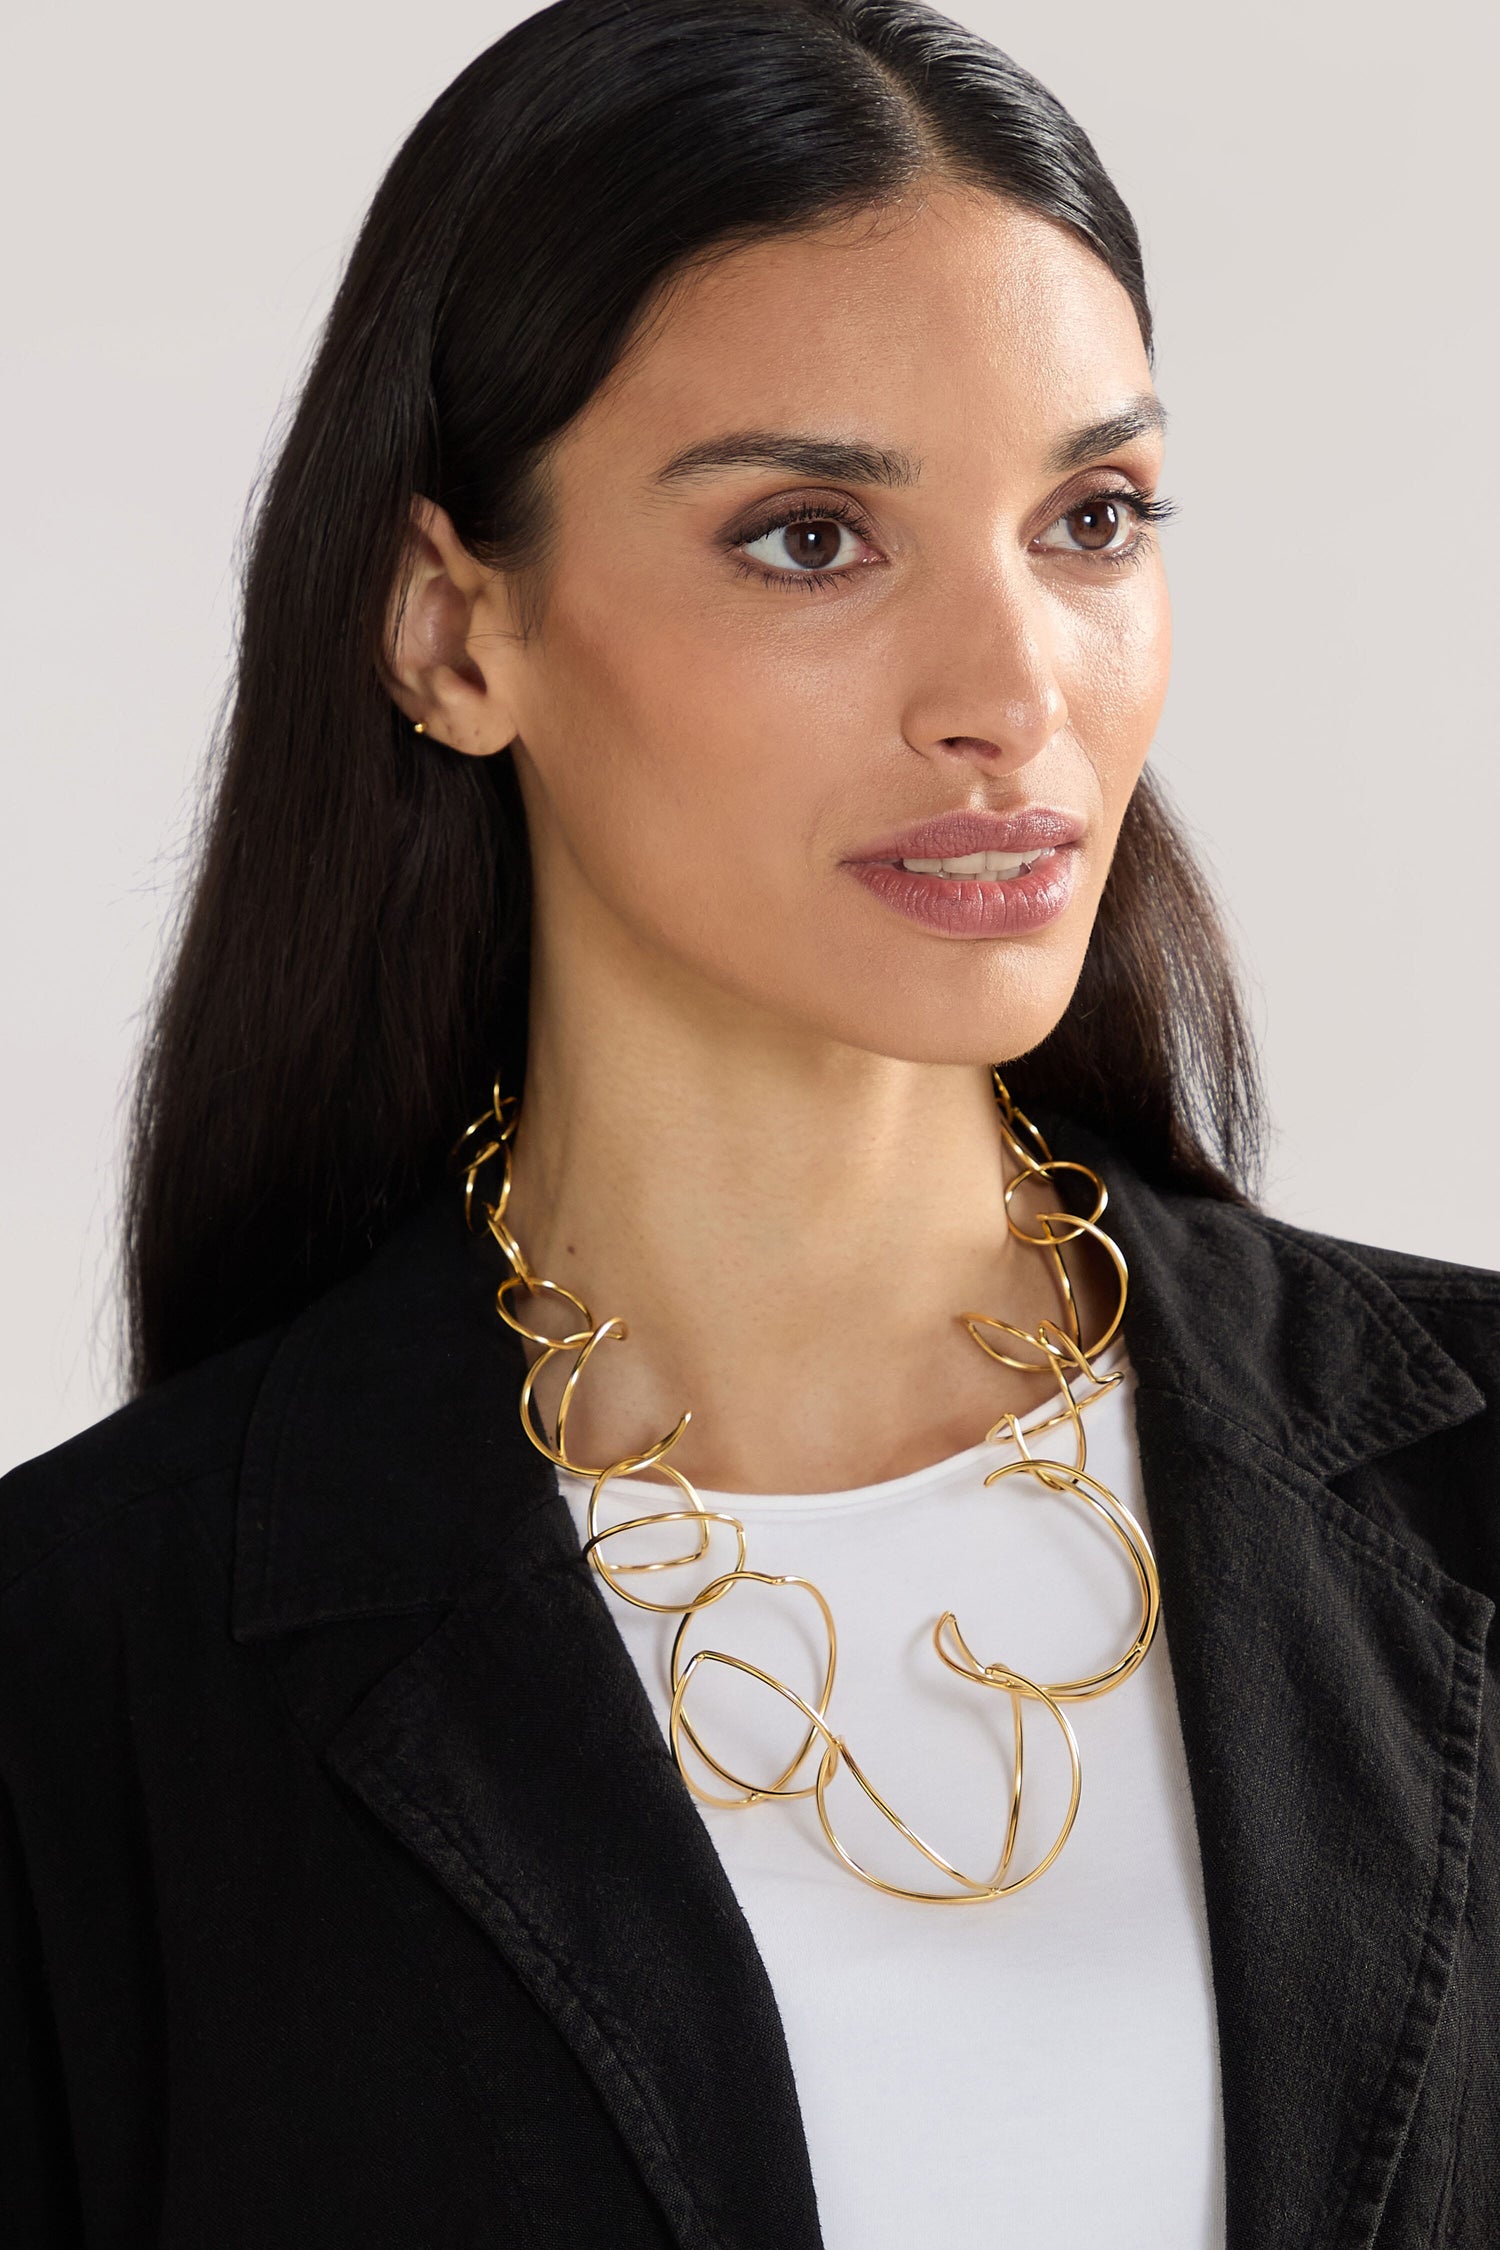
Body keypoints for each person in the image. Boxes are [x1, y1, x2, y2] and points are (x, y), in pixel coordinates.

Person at [3, 1, 1496, 2243]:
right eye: (811, 539)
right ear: (448, 633)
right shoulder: (83, 1684)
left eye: (1092, 518)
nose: (1013, 699)